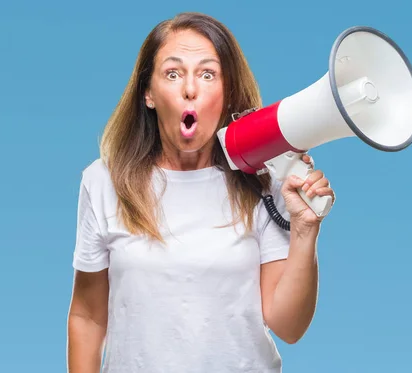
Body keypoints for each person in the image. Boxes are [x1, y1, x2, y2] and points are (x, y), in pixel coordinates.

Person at [66, 11, 335, 373]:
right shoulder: (104, 182)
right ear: (148, 93)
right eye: (173, 73)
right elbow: (87, 317)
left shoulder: (261, 182)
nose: (190, 88)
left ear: (226, 94)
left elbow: (289, 326)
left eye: (207, 74)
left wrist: (304, 231)